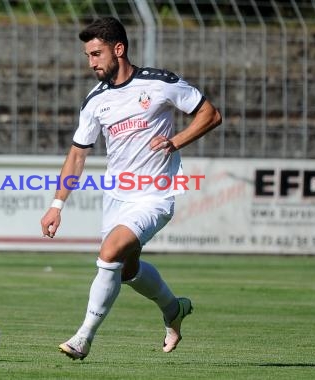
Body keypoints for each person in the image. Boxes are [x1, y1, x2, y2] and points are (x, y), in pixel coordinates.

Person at [40, 16, 222, 360]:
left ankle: (83, 338)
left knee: (109, 254)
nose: (91, 62)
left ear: (118, 49)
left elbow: (210, 114)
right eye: (88, 56)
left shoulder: (159, 83)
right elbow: (77, 155)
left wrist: (176, 141)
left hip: (155, 195)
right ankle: (174, 309)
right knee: (126, 270)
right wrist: (57, 205)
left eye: (96, 54)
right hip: (117, 198)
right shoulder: (95, 101)